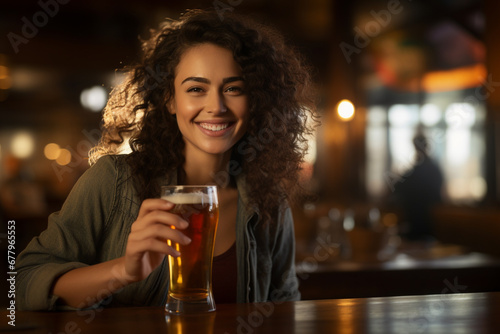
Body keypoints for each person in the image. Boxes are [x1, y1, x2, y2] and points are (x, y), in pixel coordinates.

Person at [16, 9, 317, 310]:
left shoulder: (269, 202)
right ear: (170, 99)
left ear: (255, 101)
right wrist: (123, 270)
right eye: (196, 89)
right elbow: (24, 281)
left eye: (234, 89)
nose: (217, 106)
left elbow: (284, 305)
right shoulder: (113, 181)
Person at [394, 128, 444, 242]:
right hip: (421, 219)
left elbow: (399, 188)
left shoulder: (420, 169)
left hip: (423, 219)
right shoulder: (429, 168)